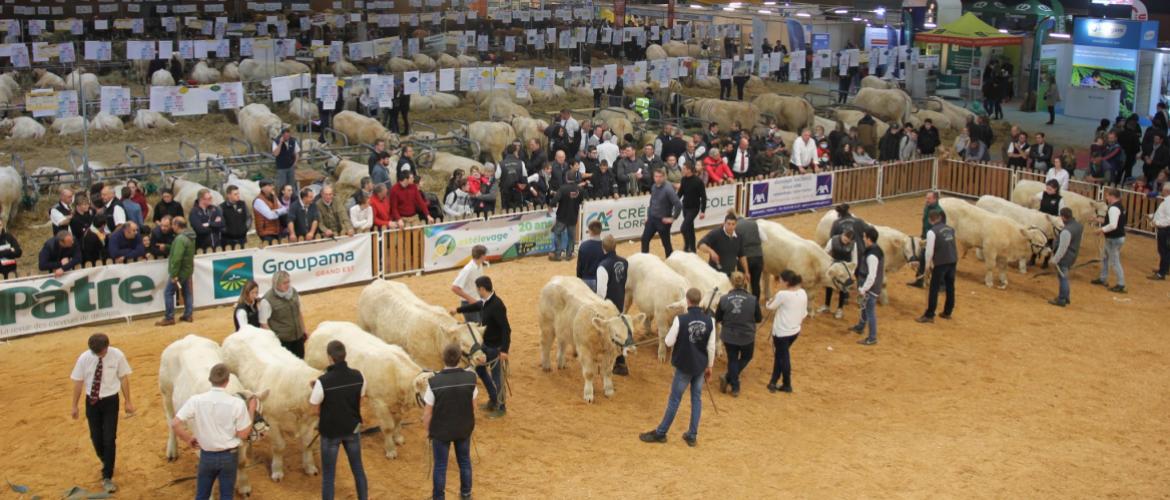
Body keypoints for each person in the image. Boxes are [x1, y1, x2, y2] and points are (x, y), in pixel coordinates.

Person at [639, 288, 715, 447]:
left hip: (684, 366)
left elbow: (668, 342)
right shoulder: (710, 321)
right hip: (700, 367)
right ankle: (692, 435)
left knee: (674, 400)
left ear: (687, 301)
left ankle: (661, 433)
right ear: (699, 301)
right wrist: (710, 366)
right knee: (696, 399)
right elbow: (711, 347)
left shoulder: (681, 320)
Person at [170, 363, 258, 500]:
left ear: (210, 380)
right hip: (229, 456)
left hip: (206, 456)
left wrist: (188, 439)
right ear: (227, 381)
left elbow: (175, 423)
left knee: (201, 495)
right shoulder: (237, 404)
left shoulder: (196, 400)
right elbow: (243, 434)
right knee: (227, 496)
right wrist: (251, 410)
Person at [69, 333, 134, 494]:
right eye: (95, 352)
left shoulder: (117, 355)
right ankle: (107, 461)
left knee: (109, 438)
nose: (99, 355)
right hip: (92, 401)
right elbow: (78, 382)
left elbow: (124, 378)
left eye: (101, 352)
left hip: (111, 400)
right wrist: (74, 405)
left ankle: (107, 475)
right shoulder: (84, 358)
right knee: (95, 437)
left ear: (107, 347)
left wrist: (128, 401)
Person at [310, 341, 369, 500]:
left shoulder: (322, 381)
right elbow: (360, 399)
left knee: (329, 476)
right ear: (344, 356)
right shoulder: (359, 375)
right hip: (352, 428)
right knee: (358, 469)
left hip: (330, 432)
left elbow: (315, 408)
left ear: (330, 358)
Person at [423, 344, 477, 500]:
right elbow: (473, 407)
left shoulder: (433, 382)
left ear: (443, 358)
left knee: (440, 466)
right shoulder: (470, 378)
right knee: (465, 462)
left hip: (441, 431)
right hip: (463, 428)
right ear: (460, 358)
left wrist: (428, 431)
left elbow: (427, 413)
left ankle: (438, 497)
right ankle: (466, 494)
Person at [452, 277, 511, 419]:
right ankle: (493, 399)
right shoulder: (486, 302)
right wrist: (458, 309)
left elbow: (506, 329)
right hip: (486, 345)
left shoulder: (497, 305)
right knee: (480, 369)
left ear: (483, 289)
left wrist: (504, 350)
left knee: (498, 378)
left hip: (495, 348)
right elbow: (476, 305)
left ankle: (501, 407)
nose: (477, 291)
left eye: (478, 289)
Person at [715, 272, 761, 397]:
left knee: (732, 360)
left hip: (729, 336)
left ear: (732, 283)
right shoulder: (753, 299)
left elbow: (717, 318)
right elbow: (758, 319)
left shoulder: (724, 299)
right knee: (747, 357)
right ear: (745, 282)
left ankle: (733, 384)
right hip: (747, 336)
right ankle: (730, 380)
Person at [763, 270, 807, 392]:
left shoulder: (783, 294)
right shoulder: (802, 292)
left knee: (783, 357)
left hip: (782, 332)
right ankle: (773, 381)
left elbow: (769, 306)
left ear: (787, 282)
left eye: (781, 281)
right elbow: (804, 313)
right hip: (795, 330)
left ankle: (787, 383)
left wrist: (774, 294)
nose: (779, 282)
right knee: (780, 355)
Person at [916, 210, 957, 323]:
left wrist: (927, 266)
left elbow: (929, 252)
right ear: (939, 218)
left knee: (934, 288)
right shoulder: (950, 229)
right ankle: (948, 312)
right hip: (952, 260)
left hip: (941, 262)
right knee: (950, 286)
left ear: (930, 220)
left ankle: (929, 314)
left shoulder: (932, 232)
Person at [260, 270, 308, 357]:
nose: (288, 285)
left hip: (298, 337)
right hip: (283, 341)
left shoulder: (294, 292)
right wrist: (274, 339)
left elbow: (299, 312)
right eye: (284, 283)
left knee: (300, 361)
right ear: (276, 284)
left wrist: (304, 329)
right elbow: (263, 323)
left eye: (288, 282)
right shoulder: (267, 300)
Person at [158, 217, 195, 326]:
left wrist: (174, 274)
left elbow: (177, 257)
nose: (171, 226)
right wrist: (168, 247)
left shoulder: (180, 239)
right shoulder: (190, 236)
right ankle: (188, 314)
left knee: (168, 292)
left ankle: (169, 317)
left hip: (179, 271)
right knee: (187, 292)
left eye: (172, 224)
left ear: (177, 225)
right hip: (187, 269)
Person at [852, 226, 883, 346]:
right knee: (864, 308)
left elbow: (872, 276)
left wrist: (864, 289)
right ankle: (860, 326)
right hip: (870, 287)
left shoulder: (872, 255)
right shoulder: (875, 249)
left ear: (869, 238)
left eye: (865, 236)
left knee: (870, 312)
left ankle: (872, 337)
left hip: (871, 288)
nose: (863, 238)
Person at [640, 169, 682, 257]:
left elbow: (678, 204)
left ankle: (671, 261)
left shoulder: (668, 189)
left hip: (663, 221)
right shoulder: (654, 186)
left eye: (660, 177)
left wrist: (673, 218)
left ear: (664, 177)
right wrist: (648, 216)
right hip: (652, 219)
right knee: (644, 239)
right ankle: (644, 260)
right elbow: (652, 202)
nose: (658, 179)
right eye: (656, 176)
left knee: (666, 244)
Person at [1092, 188, 1127, 293]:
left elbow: (1113, 225)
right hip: (1115, 237)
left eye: (1107, 196)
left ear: (1112, 196)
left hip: (1114, 238)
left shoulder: (1113, 208)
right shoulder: (1119, 206)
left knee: (1114, 261)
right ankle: (1103, 278)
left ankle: (1121, 284)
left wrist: (1101, 229)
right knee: (1106, 258)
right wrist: (1098, 220)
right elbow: (1112, 221)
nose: (1106, 198)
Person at [908, 192, 945, 288]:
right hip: (926, 237)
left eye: (929, 198)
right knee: (922, 258)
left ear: (935, 199)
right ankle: (920, 280)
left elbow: (941, 227)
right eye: (926, 198)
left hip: (934, 239)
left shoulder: (939, 211)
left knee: (937, 261)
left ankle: (941, 284)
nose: (926, 200)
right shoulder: (927, 208)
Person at [1049, 208, 1083, 306]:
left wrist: (1055, 260)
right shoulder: (1078, 226)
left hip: (1065, 257)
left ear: (1063, 217)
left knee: (1063, 277)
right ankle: (1066, 297)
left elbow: (1063, 248)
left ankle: (1062, 299)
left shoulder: (1066, 231)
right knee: (1064, 276)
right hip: (1073, 254)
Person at [820, 229, 856, 319]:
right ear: (842, 234)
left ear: (851, 240)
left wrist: (852, 272)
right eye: (844, 239)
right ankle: (826, 305)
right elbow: (825, 252)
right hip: (834, 266)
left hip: (845, 268)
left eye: (848, 241)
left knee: (843, 288)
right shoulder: (833, 240)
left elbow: (855, 260)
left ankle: (840, 309)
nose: (845, 241)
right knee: (829, 286)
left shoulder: (853, 245)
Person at [451, 244, 488, 323]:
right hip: (469, 304)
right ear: (482, 256)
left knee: (482, 325)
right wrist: (470, 299)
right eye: (485, 255)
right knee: (475, 329)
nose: (486, 257)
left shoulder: (479, 265)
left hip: (479, 301)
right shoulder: (468, 269)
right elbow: (454, 288)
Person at [677, 163, 708, 253]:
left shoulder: (698, 181)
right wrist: (674, 201)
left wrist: (702, 211)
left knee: (683, 228)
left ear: (689, 170)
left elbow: (703, 197)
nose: (682, 170)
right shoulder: (683, 180)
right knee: (690, 229)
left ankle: (687, 246)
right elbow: (680, 193)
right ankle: (693, 249)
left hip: (694, 208)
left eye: (684, 168)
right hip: (685, 207)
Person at [253, 180, 286, 245]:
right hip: (266, 232)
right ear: (263, 188)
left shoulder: (274, 197)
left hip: (277, 230)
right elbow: (270, 216)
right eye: (270, 186)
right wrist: (278, 211)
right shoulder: (258, 201)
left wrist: (275, 211)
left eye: (272, 185)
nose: (272, 187)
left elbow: (284, 209)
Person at [218, 186, 251, 251]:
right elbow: (220, 223)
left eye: (238, 193)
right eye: (235, 194)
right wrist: (227, 231)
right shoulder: (221, 207)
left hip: (242, 239)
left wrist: (245, 228)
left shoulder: (242, 204)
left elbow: (249, 217)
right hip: (228, 241)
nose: (238, 195)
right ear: (229, 195)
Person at [1149, 184, 1170, 280]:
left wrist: (1156, 223)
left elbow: (1168, 219)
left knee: (1163, 251)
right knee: (1165, 250)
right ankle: (1164, 269)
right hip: (1165, 229)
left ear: (1167, 191)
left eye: (1163, 189)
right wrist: (1151, 216)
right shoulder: (1166, 201)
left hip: (1165, 229)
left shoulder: (1168, 202)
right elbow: (1162, 214)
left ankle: (1161, 273)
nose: (1161, 191)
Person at [576, 221, 604, 289]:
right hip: (600, 280)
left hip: (586, 279)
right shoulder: (605, 246)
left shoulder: (583, 246)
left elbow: (579, 266)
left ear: (590, 231)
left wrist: (579, 279)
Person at [272, 128, 300, 192]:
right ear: (282, 135)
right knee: (282, 185)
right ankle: (281, 198)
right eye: (285, 136)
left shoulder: (293, 140)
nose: (287, 137)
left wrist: (295, 163)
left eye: (288, 136)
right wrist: (280, 143)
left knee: (291, 185)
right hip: (281, 168)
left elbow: (297, 153)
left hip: (290, 166)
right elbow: (276, 154)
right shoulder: (276, 141)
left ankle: (292, 198)